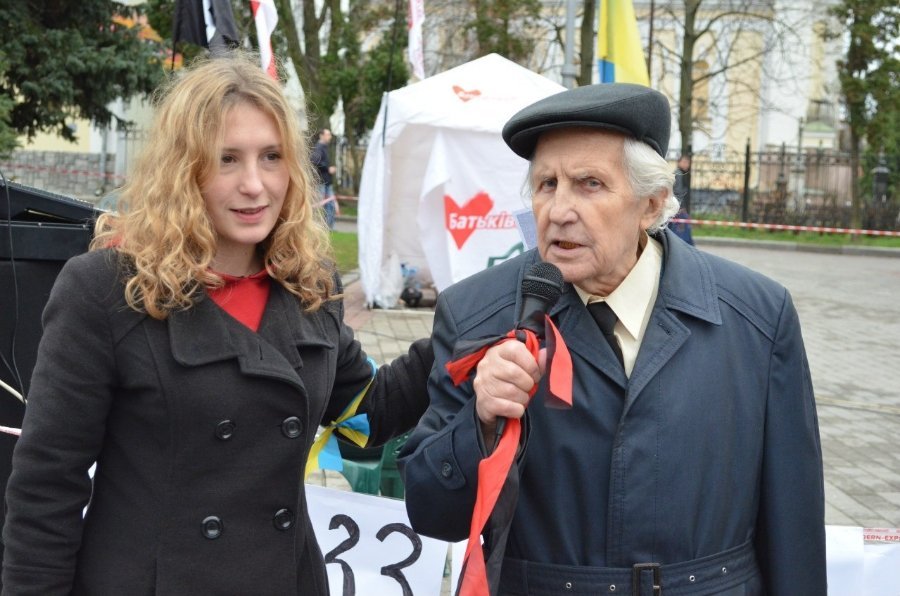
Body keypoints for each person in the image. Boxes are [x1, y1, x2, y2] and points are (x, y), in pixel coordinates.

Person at [2, 54, 432, 595]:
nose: (255, 185)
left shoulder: (309, 282)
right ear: (183, 170)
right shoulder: (105, 288)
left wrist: (463, 332)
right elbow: (47, 487)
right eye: (227, 159)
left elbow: (363, 413)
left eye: (271, 157)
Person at [399, 83, 826, 594]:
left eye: (590, 184)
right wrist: (480, 422)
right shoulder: (475, 314)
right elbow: (431, 511)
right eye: (546, 184)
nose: (559, 210)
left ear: (651, 204)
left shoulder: (756, 316)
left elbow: (793, 523)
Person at [311, 128, 340, 229]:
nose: (330, 137)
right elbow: (315, 161)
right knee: (319, 206)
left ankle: (329, 227)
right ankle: (317, 226)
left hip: (327, 182)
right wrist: (328, 169)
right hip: (321, 182)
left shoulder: (325, 147)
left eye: (330, 135)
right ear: (321, 135)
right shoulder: (319, 148)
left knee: (330, 204)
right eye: (328, 134)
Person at [671, 153, 695, 245]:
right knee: (682, 229)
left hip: (677, 206)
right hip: (678, 207)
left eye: (688, 162)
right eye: (684, 162)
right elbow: (678, 191)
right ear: (679, 162)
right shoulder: (679, 174)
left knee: (679, 228)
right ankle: (685, 246)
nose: (686, 164)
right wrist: (681, 207)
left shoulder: (681, 173)